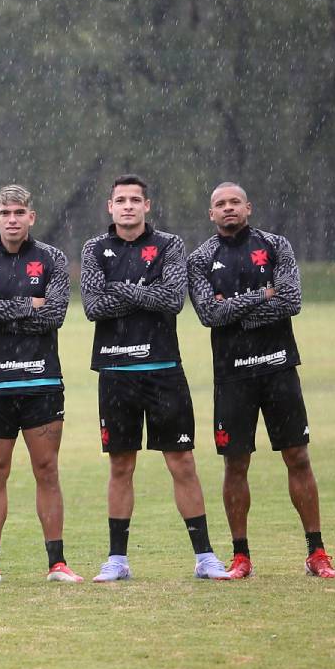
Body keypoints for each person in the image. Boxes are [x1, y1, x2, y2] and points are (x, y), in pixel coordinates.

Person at [186, 182, 335, 579]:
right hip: (232, 376)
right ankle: (241, 556)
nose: (228, 208)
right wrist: (261, 295)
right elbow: (208, 314)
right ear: (211, 214)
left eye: (235, 202)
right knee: (235, 465)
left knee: (298, 458)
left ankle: (316, 552)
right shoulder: (201, 258)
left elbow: (291, 301)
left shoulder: (276, 246)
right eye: (220, 204)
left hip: (278, 367)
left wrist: (234, 306)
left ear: (248, 207)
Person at [81, 175, 229, 582]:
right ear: (110, 207)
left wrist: (121, 290)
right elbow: (93, 306)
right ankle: (117, 560)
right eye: (120, 200)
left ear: (147, 205)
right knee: (120, 466)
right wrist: (142, 290)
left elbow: (172, 300)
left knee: (182, 462)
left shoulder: (169, 245)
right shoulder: (95, 248)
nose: (127, 206)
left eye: (135, 200)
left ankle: (205, 556)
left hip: (163, 369)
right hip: (115, 370)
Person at [0, 184, 82, 585]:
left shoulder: (51, 258)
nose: (12, 219)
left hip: (41, 379)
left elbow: (54, 316)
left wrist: (0, 305)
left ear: (31, 217)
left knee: (46, 468)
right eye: (5, 213)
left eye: (19, 212)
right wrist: (28, 304)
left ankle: (57, 563)